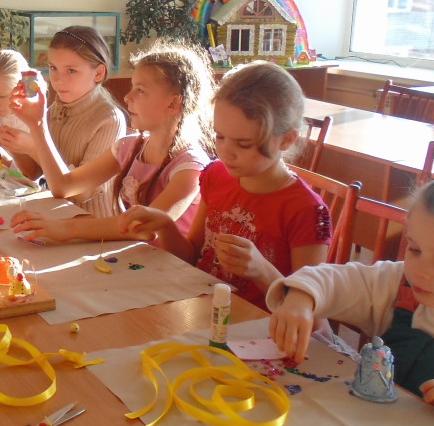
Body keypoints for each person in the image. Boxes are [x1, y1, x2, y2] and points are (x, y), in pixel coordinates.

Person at [267, 176, 434, 426]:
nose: (419, 271)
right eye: (414, 249)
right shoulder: (399, 285)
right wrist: (301, 298)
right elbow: (333, 279)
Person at [119, 61, 331, 309]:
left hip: (260, 325)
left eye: (243, 144)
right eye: (220, 136)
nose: (226, 152)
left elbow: (311, 310)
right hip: (207, 310)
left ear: (286, 139)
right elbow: (192, 256)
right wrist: (166, 225)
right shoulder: (216, 175)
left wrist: (262, 271)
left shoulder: (306, 210)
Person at [9, 40, 214, 243]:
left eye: (140, 90)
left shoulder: (190, 168)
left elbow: (142, 227)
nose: (127, 97)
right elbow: (64, 186)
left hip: (165, 264)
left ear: (173, 104)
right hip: (132, 256)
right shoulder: (129, 147)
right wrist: (37, 124)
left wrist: (65, 228)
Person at [0, 25, 127, 217]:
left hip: (92, 223)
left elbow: (81, 193)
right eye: (53, 68)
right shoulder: (55, 110)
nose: (57, 80)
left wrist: (34, 139)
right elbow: (34, 172)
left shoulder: (110, 119)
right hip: (57, 219)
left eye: (71, 70)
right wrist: (16, 144)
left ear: (98, 73)